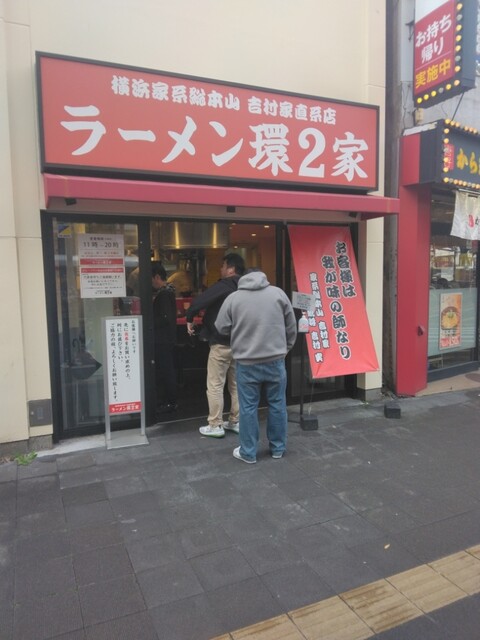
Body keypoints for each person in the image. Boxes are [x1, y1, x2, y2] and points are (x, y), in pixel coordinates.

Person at [215, 269, 297, 463]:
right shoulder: (278, 294)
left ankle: (249, 452)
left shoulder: (233, 298)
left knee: (248, 407)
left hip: (246, 362)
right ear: (263, 276)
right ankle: (278, 449)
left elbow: (221, 327)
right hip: (275, 360)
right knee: (277, 404)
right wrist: (285, 349)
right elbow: (291, 326)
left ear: (242, 278)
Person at [185, 253, 246, 437]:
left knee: (215, 385)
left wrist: (190, 318)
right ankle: (236, 421)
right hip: (241, 344)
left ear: (231, 269)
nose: (221, 269)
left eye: (223, 266)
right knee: (236, 385)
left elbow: (199, 302)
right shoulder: (247, 287)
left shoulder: (224, 285)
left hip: (221, 343)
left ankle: (215, 425)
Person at [151, 262, 178, 416]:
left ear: (157, 277)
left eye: (150, 279)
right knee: (166, 370)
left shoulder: (164, 294)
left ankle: (170, 402)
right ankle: (168, 401)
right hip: (166, 338)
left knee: (166, 370)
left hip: (163, 339)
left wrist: (149, 322)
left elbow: (165, 318)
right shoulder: (168, 292)